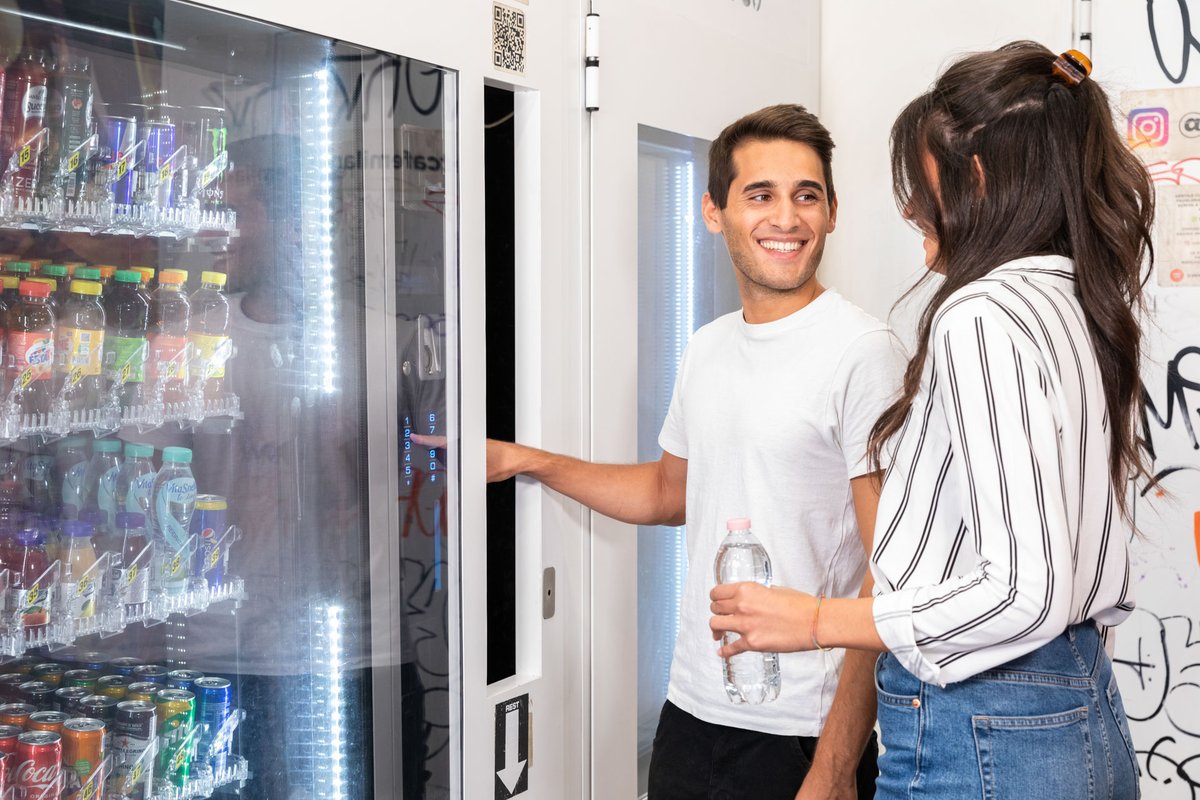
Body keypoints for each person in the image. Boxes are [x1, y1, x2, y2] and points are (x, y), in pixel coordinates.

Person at [710, 43, 1149, 799]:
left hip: (988, 725)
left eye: (922, 182)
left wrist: (817, 619)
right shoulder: (1073, 298)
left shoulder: (981, 315)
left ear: (975, 178)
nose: (913, 208)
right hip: (1077, 707)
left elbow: (1024, 590)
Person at [487, 104, 906, 799]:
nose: (787, 218)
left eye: (807, 196)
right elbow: (666, 494)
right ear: (714, 212)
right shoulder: (709, 346)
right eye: (760, 195)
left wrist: (834, 767)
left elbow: (888, 575)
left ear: (833, 211)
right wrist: (528, 462)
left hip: (801, 728)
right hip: (690, 712)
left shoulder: (864, 354)